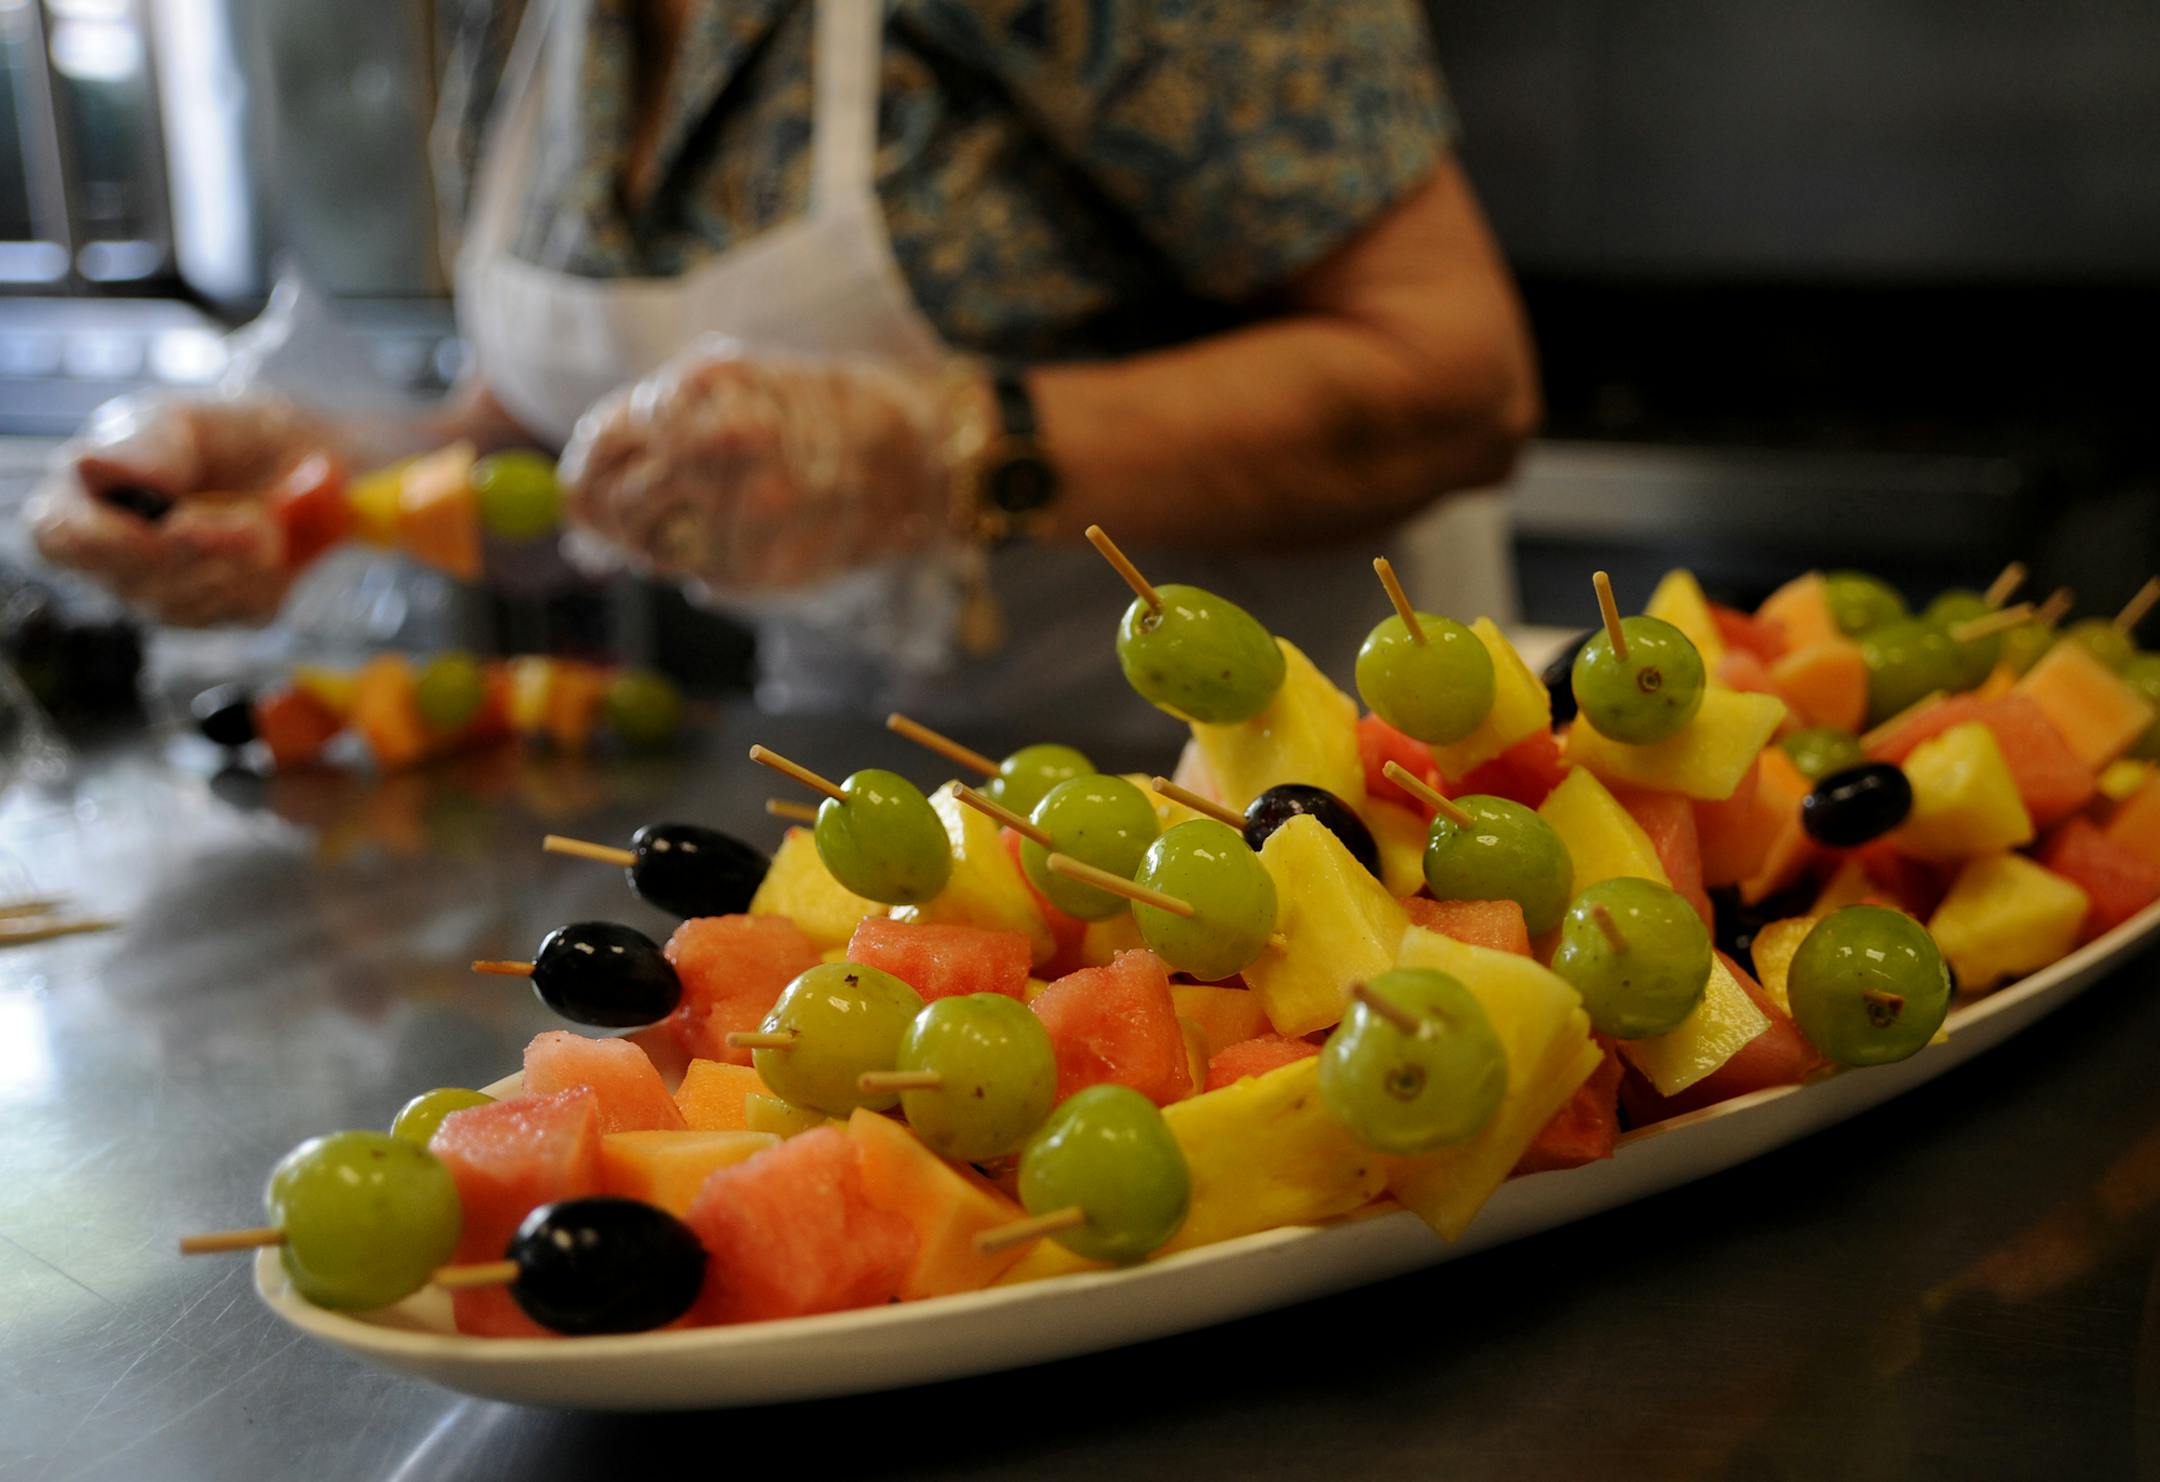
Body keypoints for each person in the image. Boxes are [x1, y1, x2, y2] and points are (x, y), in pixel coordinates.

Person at [30, 0, 1537, 725]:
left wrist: (946, 450)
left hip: (1281, 782)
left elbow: (1458, 379)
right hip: (868, 807)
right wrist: (317, 474)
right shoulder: (521, 29)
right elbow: (578, 451)